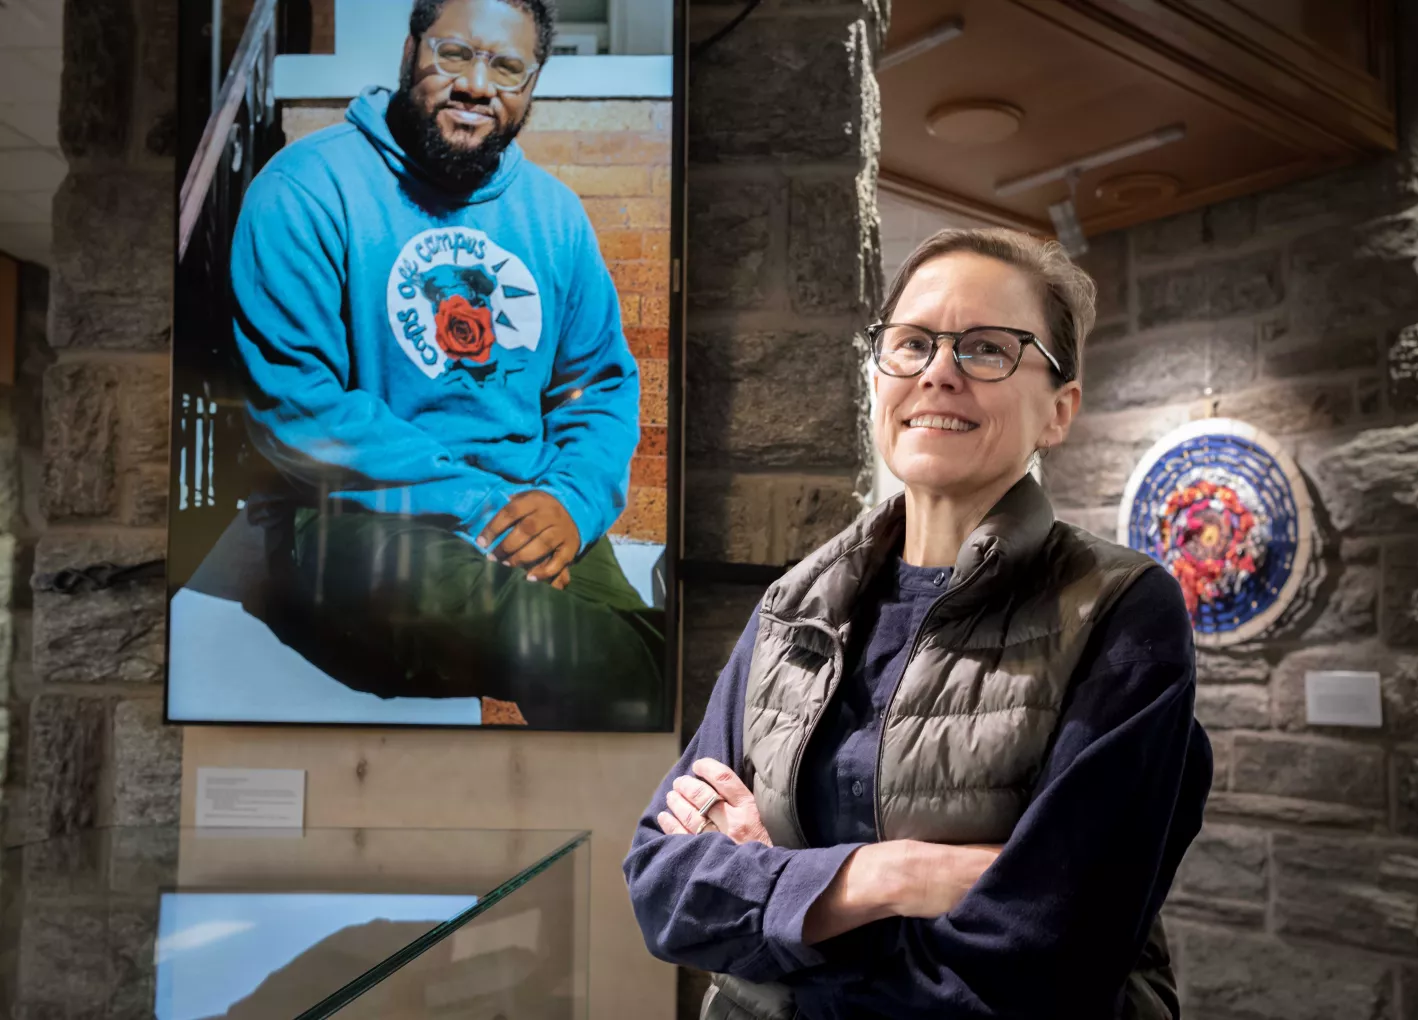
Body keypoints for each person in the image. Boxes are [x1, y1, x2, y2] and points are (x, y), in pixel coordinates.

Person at [624, 228, 1213, 1018]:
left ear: (1058, 411)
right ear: (877, 379)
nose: (939, 371)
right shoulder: (793, 604)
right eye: (912, 344)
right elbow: (662, 886)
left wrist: (778, 898)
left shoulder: (1121, 610)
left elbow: (1044, 964)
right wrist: (888, 875)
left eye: (986, 349)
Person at [224, 0, 663, 728]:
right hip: (350, 517)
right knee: (595, 661)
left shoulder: (554, 215)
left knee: (660, 671)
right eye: (454, 54)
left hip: (531, 508)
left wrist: (572, 504)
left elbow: (599, 387)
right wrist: (483, 510)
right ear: (409, 50)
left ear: (533, 83)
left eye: (507, 66)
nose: (476, 85)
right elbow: (299, 406)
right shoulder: (303, 188)